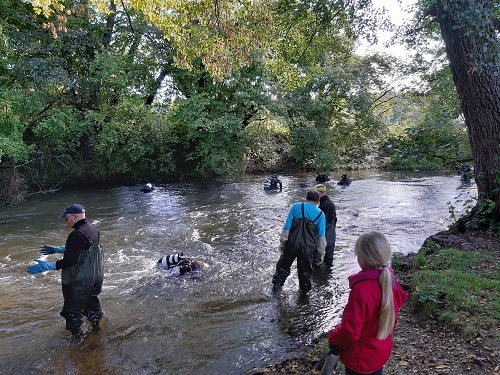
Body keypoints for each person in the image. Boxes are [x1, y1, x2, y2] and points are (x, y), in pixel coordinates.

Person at [327, 231, 408, 375]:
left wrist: (333, 338)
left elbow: (350, 331)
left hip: (359, 359)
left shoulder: (361, 290)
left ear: (362, 260)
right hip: (380, 352)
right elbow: (392, 320)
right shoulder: (391, 282)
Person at [27, 203, 104, 338]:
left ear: (74, 217)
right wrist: (59, 249)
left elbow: (69, 262)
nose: (65, 221)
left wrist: (47, 266)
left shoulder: (75, 235)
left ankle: (77, 341)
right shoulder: (93, 229)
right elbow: (85, 247)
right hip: (96, 276)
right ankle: (97, 332)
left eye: (66, 218)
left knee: (71, 312)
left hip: (80, 281)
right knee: (92, 306)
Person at [271, 190, 326, 295]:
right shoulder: (321, 215)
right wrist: (320, 255)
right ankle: (303, 298)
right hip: (307, 249)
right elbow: (321, 239)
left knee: (282, 269)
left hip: (291, 245)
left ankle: (275, 293)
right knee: (305, 274)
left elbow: (286, 228)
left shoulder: (296, 207)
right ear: (318, 201)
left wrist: (282, 245)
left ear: (306, 198)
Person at [313, 184, 337, 267]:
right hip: (331, 231)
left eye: (316, 193)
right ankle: (328, 274)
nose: (314, 195)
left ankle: (319, 275)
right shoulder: (328, 202)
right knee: (329, 256)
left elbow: (322, 222)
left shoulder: (324, 205)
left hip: (327, 231)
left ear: (322, 192)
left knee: (319, 254)